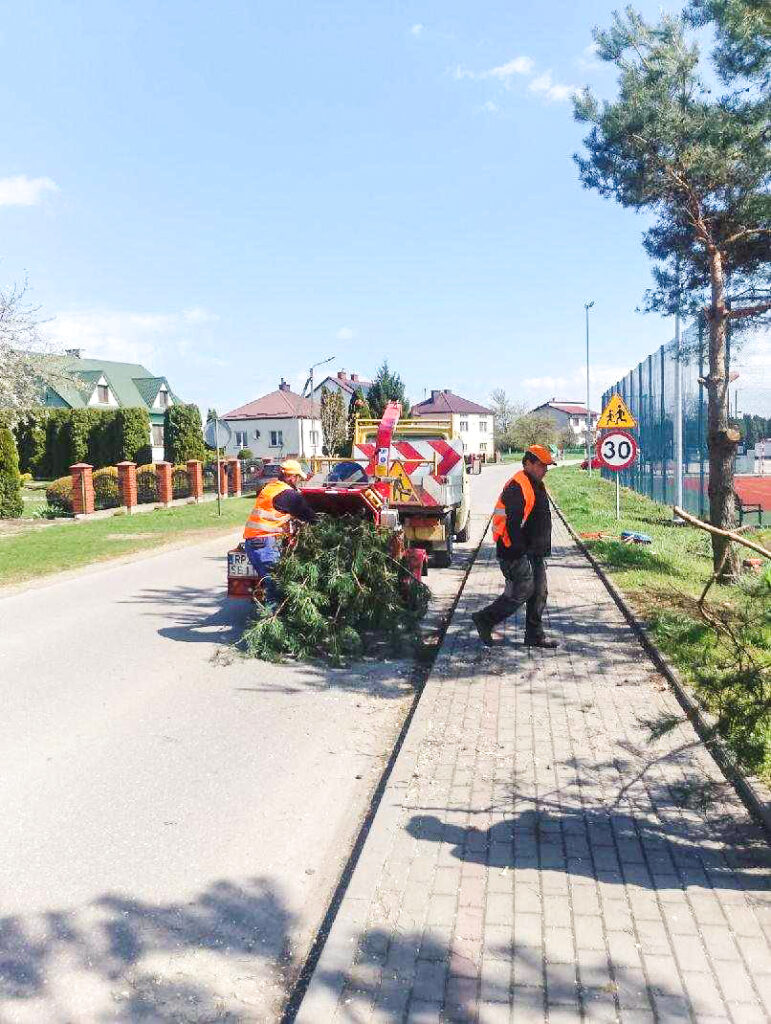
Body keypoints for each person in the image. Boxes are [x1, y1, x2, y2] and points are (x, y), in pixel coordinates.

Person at [472, 444, 557, 648]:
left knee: (539, 592)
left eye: (547, 466)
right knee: (523, 591)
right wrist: (517, 553)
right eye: (541, 465)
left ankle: (534, 636)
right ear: (528, 463)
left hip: (533, 552)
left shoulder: (534, 482)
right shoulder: (518, 486)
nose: (544, 470)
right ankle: (485, 619)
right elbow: (510, 525)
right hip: (516, 552)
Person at [243, 458, 317, 606]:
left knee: (273, 585)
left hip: (256, 543)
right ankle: (271, 619)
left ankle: (271, 614)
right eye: (297, 478)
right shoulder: (287, 494)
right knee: (275, 588)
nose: (297, 481)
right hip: (264, 545)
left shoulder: (271, 487)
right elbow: (308, 515)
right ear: (291, 477)